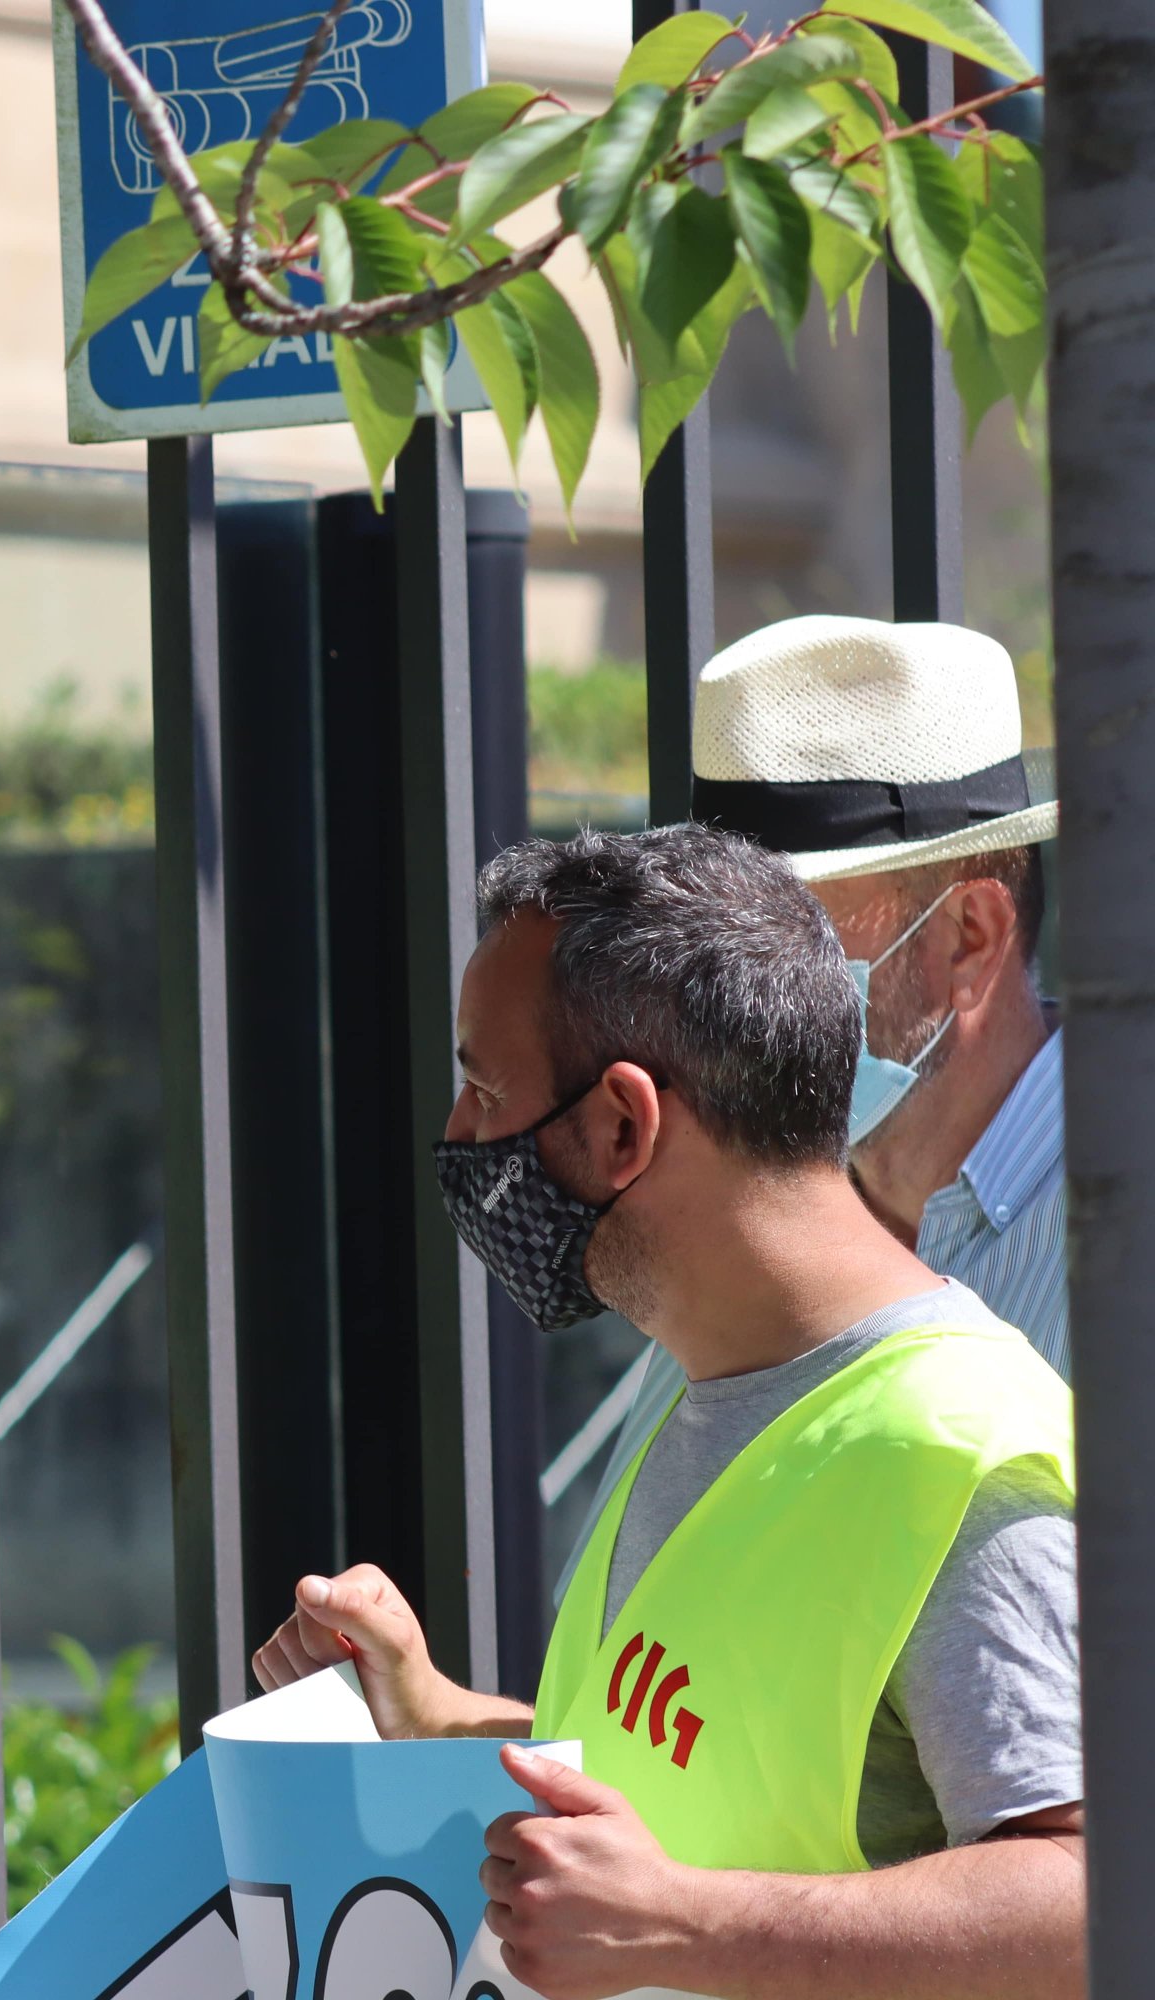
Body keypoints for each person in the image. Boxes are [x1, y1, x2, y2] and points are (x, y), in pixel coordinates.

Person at [254, 825, 1081, 2000]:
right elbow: (697, 1773)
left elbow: (1093, 1901)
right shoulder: (708, 1381)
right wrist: (436, 1715)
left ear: (624, 1124)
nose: (460, 1136)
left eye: (485, 1088)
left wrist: (688, 1922)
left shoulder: (961, 1452)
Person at [554, 614, 1064, 1586]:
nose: (731, 1004)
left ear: (969, 937)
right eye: (712, 957)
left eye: (790, 944)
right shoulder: (757, 1218)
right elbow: (644, 1656)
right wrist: (428, 1681)